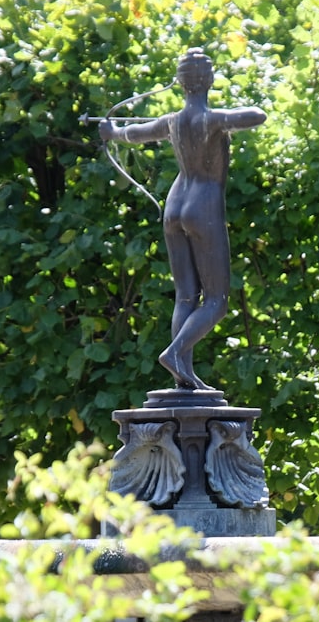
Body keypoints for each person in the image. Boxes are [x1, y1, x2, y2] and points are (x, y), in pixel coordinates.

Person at [100, 48, 267, 390]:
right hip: (203, 207)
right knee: (217, 301)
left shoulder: (171, 122)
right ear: (210, 79)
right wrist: (225, 117)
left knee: (186, 296)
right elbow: (258, 115)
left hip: (175, 205)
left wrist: (112, 131)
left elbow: (133, 134)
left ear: (180, 83)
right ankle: (176, 354)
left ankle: (182, 375)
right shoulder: (211, 119)